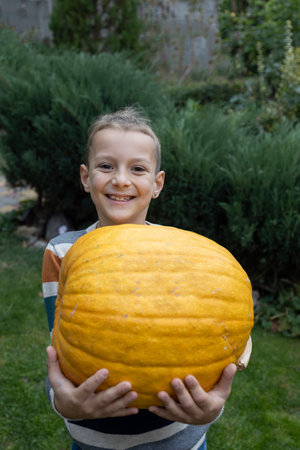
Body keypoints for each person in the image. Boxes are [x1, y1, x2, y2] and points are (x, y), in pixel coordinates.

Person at [42, 107, 236, 450]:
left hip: (178, 441)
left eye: (137, 168)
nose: (120, 179)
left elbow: (216, 340)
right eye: (106, 166)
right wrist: (63, 403)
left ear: (157, 183)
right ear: (86, 177)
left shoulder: (179, 250)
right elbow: (60, 350)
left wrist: (210, 410)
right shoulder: (63, 252)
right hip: (95, 442)